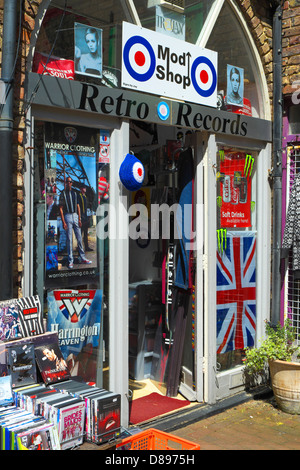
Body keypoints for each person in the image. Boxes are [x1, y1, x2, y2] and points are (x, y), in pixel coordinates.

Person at [59, 177, 92, 269]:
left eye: (70, 182)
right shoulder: (62, 194)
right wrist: (63, 221)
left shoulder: (75, 194)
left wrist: (79, 218)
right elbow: (61, 208)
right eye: (67, 182)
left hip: (75, 216)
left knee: (79, 237)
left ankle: (83, 257)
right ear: (65, 183)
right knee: (69, 239)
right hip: (68, 216)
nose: (69, 183)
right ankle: (70, 261)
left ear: (72, 183)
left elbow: (78, 206)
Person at [78, 184, 92, 251]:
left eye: (85, 188)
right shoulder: (79, 196)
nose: (85, 189)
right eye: (83, 188)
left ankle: (86, 247)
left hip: (86, 217)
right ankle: (79, 247)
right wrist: (79, 217)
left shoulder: (85, 197)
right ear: (81, 189)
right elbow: (79, 207)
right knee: (80, 233)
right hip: (82, 217)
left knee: (86, 233)